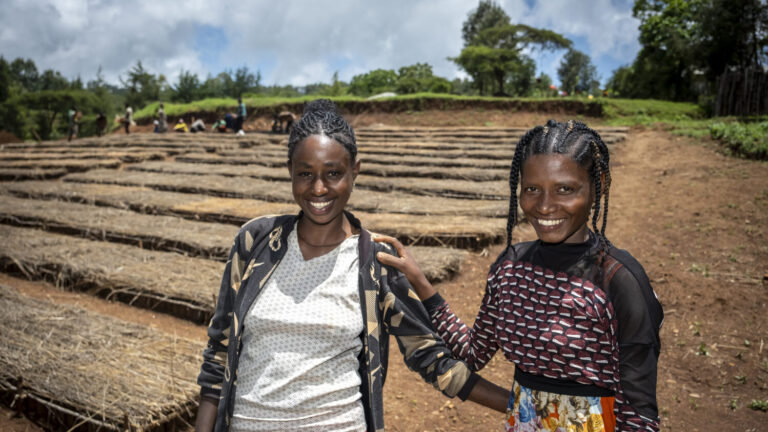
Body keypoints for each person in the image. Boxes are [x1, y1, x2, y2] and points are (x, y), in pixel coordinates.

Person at [195, 99, 508, 432]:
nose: (318, 188)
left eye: (333, 173)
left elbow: (432, 358)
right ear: (290, 170)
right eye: (305, 174)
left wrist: (523, 404)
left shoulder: (376, 262)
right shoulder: (254, 243)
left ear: (355, 170)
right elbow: (219, 351)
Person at [376, 120, 663, 431]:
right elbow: (473, 353)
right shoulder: (511, 267)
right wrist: (420, 281)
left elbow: (639, 415)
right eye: (532, 190)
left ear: (599, 184)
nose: (545, 206)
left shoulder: (617, 280)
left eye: (565, 189)